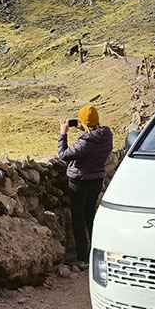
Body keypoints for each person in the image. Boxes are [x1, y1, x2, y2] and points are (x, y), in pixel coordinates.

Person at [58, 105, 113, 264]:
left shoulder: (86, 142)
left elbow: (63, 155)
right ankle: (96, 250)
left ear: (84, 124)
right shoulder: (106, 135)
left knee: (78, 218)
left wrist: (63, 134)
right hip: (96, 180)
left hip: (79, 181)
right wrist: (81, 125)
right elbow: (91, 132)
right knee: (90, 215)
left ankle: (83, 256)